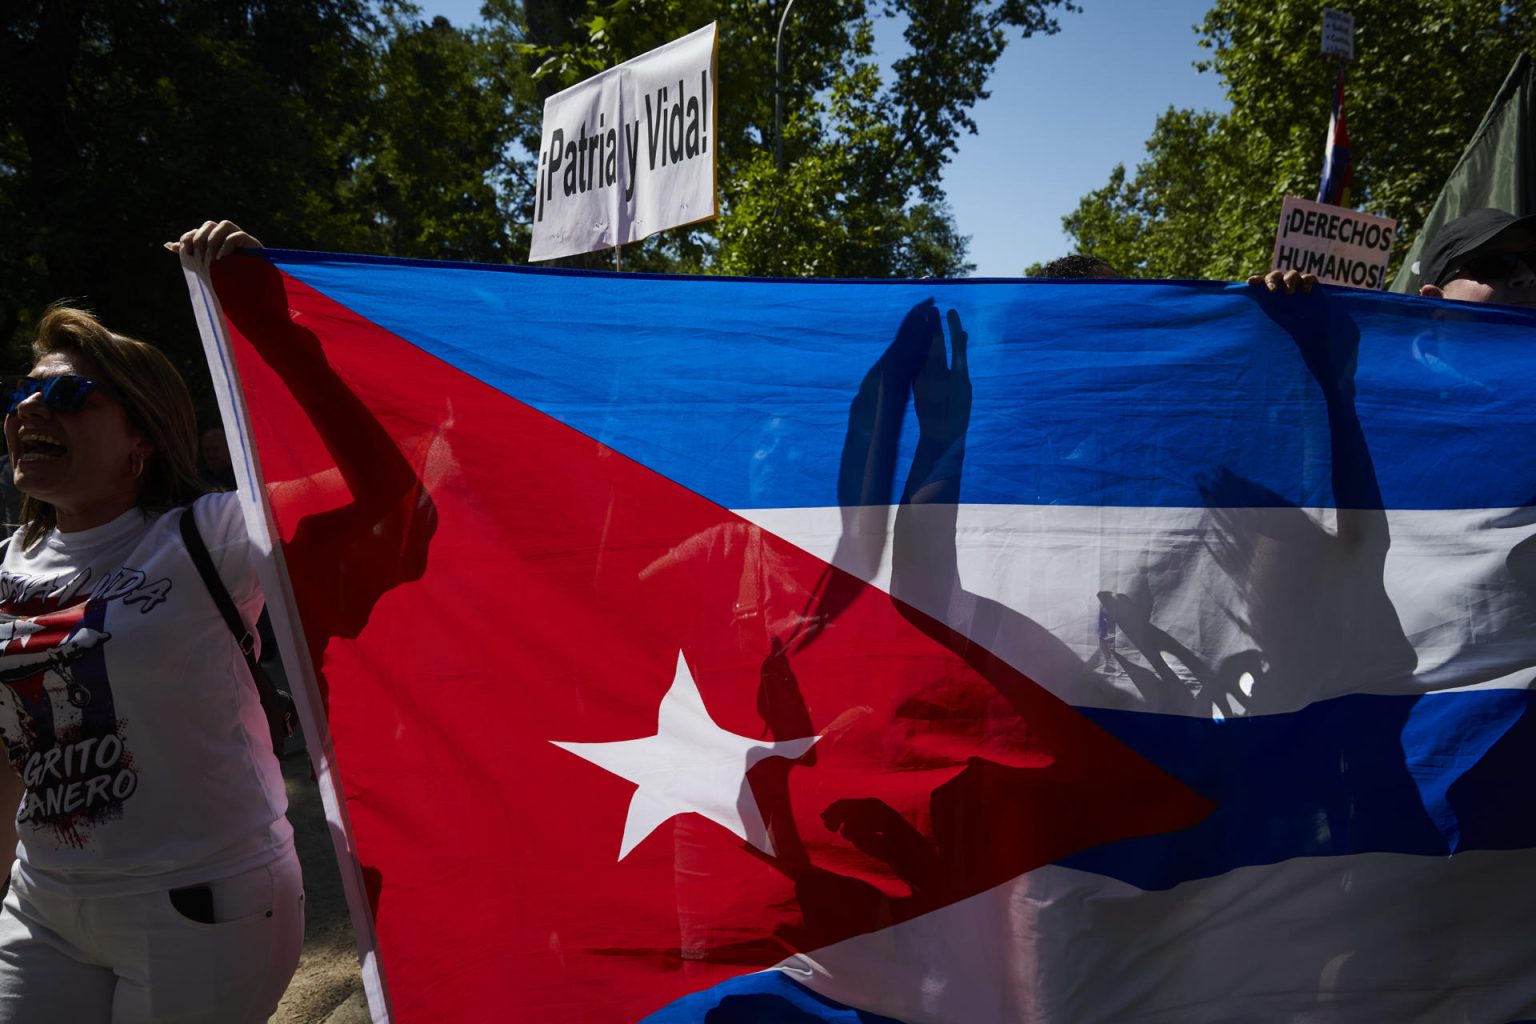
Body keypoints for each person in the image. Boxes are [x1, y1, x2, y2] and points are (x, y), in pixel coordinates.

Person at [0, 221, 301, 1022]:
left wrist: (266, 313)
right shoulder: (5, 567)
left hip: (203, 905)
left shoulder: (213, 532)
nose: (31, 406)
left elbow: (377, 488)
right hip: (43, 907)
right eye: (22, 392)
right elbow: (11, 747)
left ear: (139, 441)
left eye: (66, 394)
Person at [1251, 207, 1536, 307]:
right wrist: (1285, 332)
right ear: (1435, 304)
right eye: (1497, 264)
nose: (1528, 276)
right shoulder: (1376, 395)